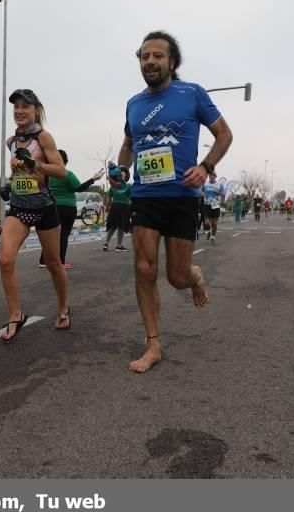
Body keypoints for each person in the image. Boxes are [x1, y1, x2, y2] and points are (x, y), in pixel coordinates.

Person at [119, 30, 233, 373]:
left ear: (172, 62)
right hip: (145, 195)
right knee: (143, 267)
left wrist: (206, 166)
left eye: (157, 56)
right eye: (144, 56)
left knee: (176, 277)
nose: (150, 61)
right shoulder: (134, 103)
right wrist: (121, 170)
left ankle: (194, 276)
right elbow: (128, 144)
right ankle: (153, 344)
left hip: (182, 195)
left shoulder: (192, 94)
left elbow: (224, 134)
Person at [0, 89, 70, 340]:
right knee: (5, 260)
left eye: (25, 107)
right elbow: (19, 174)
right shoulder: (11, 142)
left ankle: (63, 307)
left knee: (53, 264)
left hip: (44, 208)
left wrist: (33, 164)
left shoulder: (43, 138)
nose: (19, 111)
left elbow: (60, 171)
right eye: (16, 107)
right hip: (19, 208)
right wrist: (11, 183)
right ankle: (15, 314)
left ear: (35, 110)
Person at [39, 149, 103, 267]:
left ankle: (43, 261)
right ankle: (61, 261)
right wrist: (93, 179)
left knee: (50, 235)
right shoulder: (67, 174)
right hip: (67, 208)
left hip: (51, 206)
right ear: (66, 161)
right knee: (63, 234)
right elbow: (79, 188)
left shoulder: (47, 175)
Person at [103, 168, 133, 251]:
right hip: (125, 207)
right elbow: (132, 198)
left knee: (112, 226)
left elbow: (109, 199)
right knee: (121, 227)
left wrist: (107, 208)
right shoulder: (129, 186)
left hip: (115, 206)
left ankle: (106, 243)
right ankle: (119, 246)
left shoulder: (113, 186)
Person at [202, 171, 225, 243]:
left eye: (213, 175)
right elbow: (202, 191)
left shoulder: (219, 185)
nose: (211, 176)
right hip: (207, 204)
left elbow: (223, 194)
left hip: (215, 204)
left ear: (215, 176)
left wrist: (218, 192)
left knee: (214, 223)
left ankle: (213, 236)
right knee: (206, 223)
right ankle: (209, 231)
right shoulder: (205, 184)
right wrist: (202, 194)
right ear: (209, 176)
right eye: (210, 175)